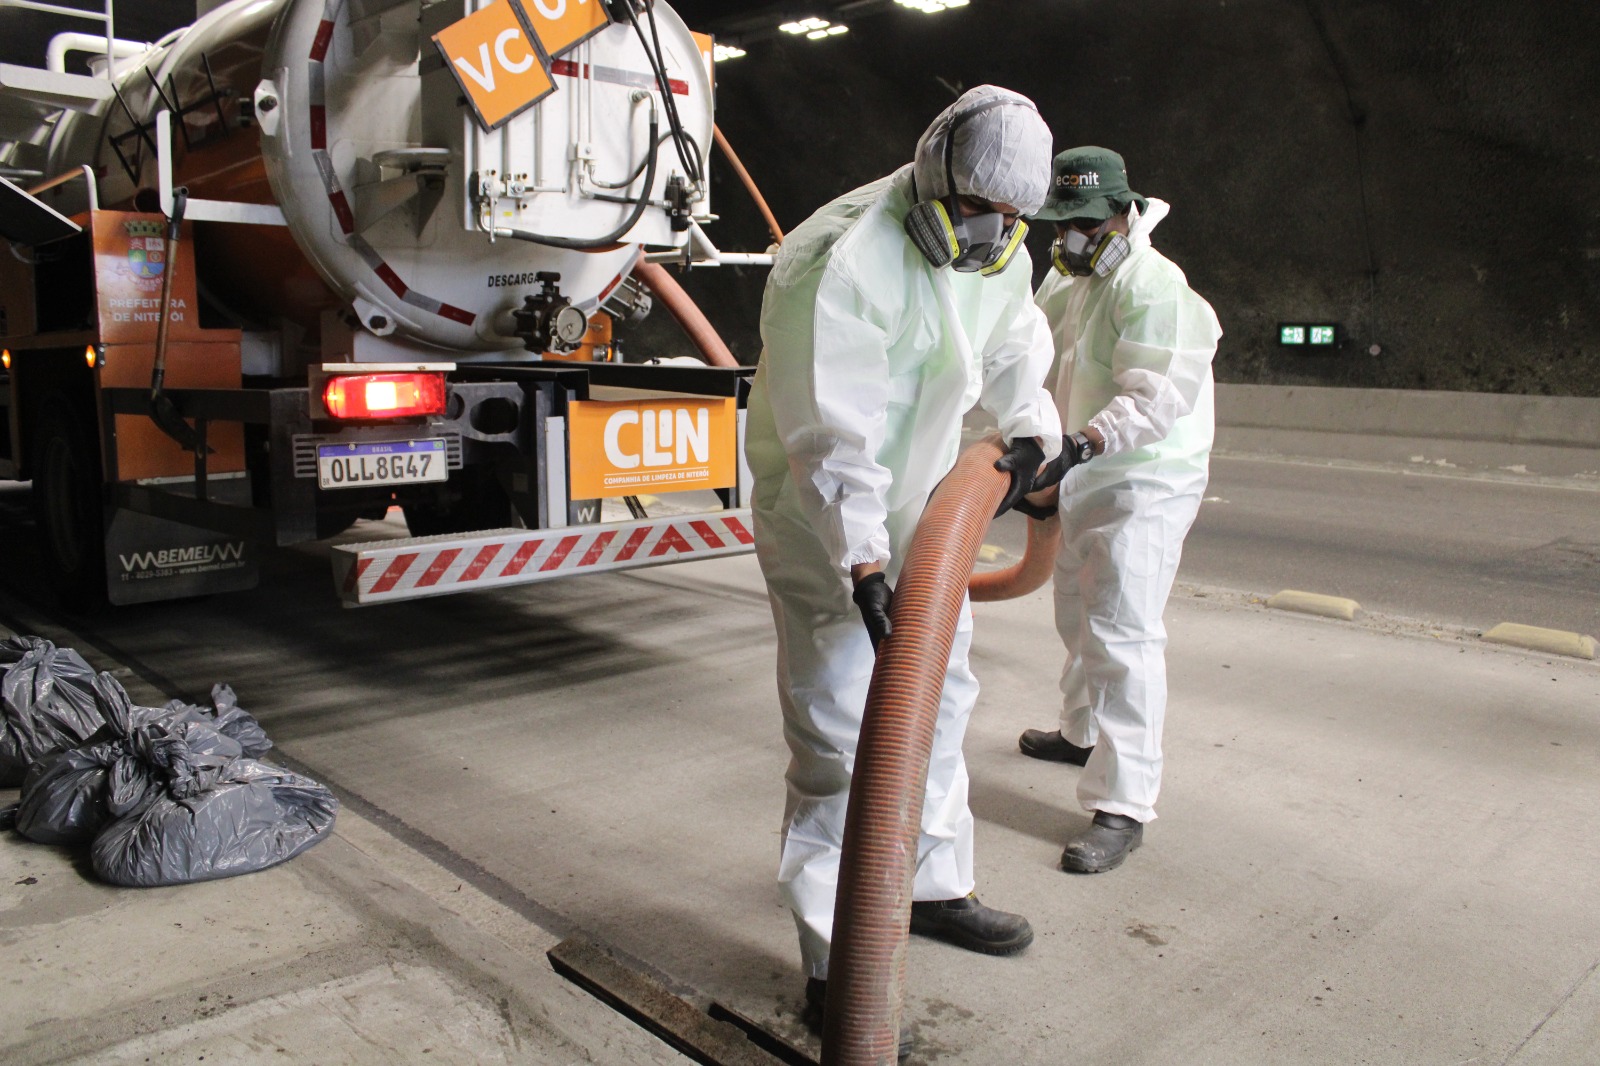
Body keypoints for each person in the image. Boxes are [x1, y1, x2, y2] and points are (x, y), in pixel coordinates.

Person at [743, 85, 1063, 1035]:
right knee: (844, 736)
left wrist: (1030, 425)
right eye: (976, 211)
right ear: (933, 176)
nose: (990, 234)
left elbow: (1013, 343)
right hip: (823, 523)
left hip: (923, 516)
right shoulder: (836, 262)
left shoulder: (998, 244)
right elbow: (827, 437)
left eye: (1011, 220)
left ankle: (930, 886)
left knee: (942, 695)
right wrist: (863, 562)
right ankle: (834, 956)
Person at [1016, 146, 1222, 875]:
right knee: (1074, 608)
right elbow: (1023, 346)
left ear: (1122, 213)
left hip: (1143, 478)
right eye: (1060, 225)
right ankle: (1081, 730)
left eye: (1083, 225)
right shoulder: (1068, 282)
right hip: (1084, 473)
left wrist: (1077, 445)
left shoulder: (1154, 286)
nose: (1068, 239)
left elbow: (1156, 398)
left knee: (1123, 632)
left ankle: (1124, 804)